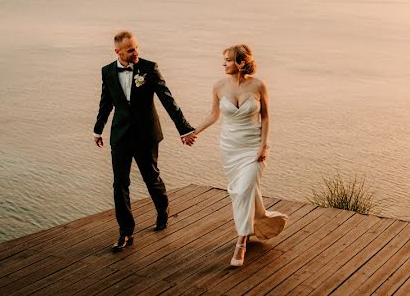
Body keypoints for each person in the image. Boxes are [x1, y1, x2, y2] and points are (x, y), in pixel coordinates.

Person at [94, 30, 197, 252]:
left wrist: (184, 129)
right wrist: (98, 129)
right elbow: (106, 102)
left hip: (146, 135)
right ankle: (126, 232)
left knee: (151, 177)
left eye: (137, 47)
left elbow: (168, 100)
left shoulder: (149, 68)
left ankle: (162, 209)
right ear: (118, 51)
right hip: (120, 136)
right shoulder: (107, 72)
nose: (136, 52)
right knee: (119, 184)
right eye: (131, 49)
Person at [188, 44, 287, 267]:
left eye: (228, 60)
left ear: (241, 63)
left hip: (253, 147)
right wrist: (194, 132)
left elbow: (266, 117)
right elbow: (214, 115)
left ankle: (241, 243)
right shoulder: (218, 86)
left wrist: (263, 146)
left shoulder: (259, 85)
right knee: (243, 192)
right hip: (230, 148)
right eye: (223, 60)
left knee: (243, 190)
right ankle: (260, 221)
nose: (223, 64)